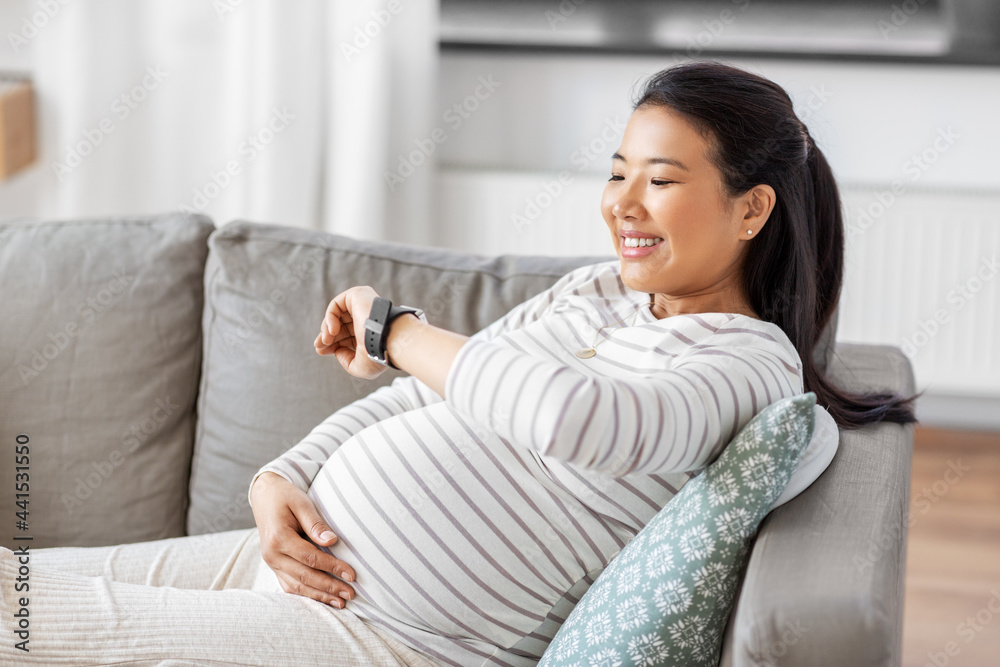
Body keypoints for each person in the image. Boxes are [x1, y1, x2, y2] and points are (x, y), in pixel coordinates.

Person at [0, 61, 917, 666]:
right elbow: (430, 403)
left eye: (662, 180)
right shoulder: (601, 291)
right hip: (303, 570)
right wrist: (288, 473)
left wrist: (397, 330)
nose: (622, 203)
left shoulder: (744, 363)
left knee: (25, 627)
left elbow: (575, 418)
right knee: (21, 582)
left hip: (386, 637)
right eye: (617, 171)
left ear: (751, 210)